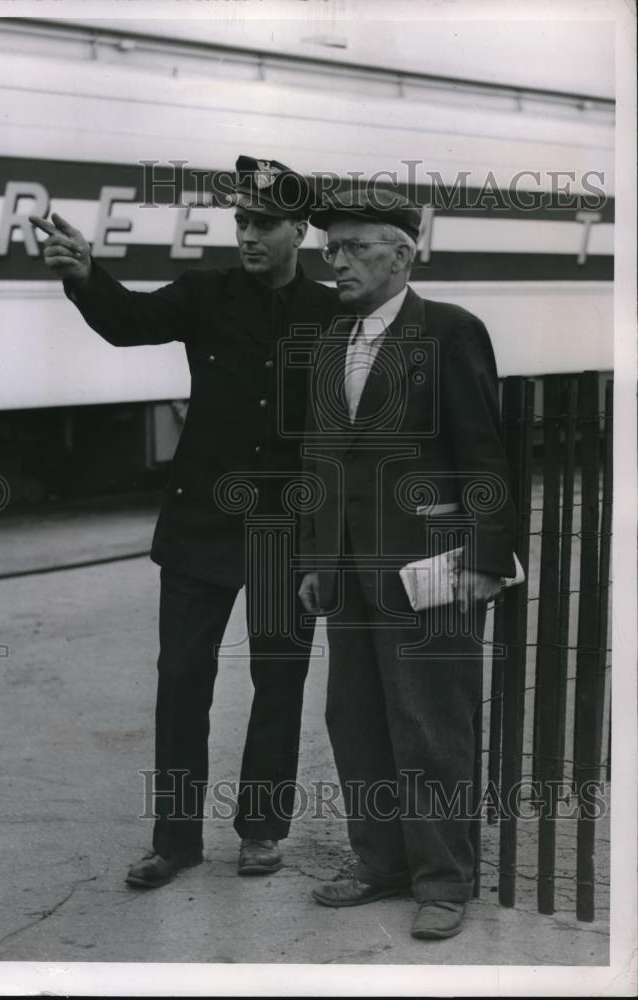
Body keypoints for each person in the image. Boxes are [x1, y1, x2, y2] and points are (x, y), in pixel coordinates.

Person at [31, 156, 340, 888]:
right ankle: (175, 841)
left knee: (279, 682)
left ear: (300, 230)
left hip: (283, 535)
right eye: (241, 222)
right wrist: (84, 274)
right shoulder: (205, 292)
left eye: (263, 223)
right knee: (181, 685)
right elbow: (129, 322)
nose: (248, 235)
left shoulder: (330, 314)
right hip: (202, 524)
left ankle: (262, 831)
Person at [298, 186, 517, 939]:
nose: (338, 262)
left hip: (429, 564)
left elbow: (485, 452)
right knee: (354, 715)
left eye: (356, 247)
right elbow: (323, 460)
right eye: (331, 249)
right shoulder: (332, 340)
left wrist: (487, 554)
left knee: (432, 719)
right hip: (351, 567)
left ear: (403, 252)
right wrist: (314, 558)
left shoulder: (452, 331)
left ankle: (444, 877)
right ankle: (381, 860)